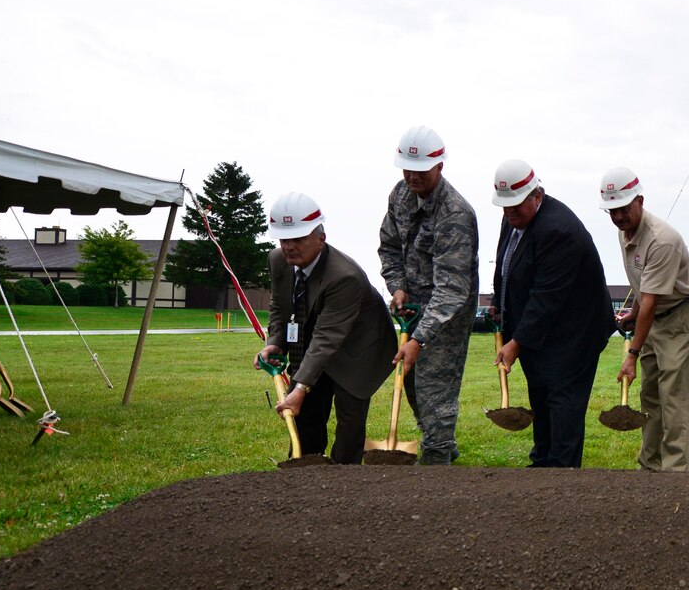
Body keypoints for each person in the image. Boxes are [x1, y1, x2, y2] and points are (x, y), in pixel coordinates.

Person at [257, 192, 398, 465]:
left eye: (298, 239)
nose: (289, 246)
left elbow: (327, 337)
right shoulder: (277, 261)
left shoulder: (345, 276)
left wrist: (299, 389)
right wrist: (275, 342)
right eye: (284, 239)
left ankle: (344, 479)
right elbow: (280, 306)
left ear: (320, 239)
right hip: (316, 338)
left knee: (349, 419)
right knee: (307, 411)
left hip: (360, 348)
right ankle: (304, 470)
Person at [490, 159, 613, 468]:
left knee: (562, 401)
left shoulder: (558, 231)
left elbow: (546, 298)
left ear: (537, 195)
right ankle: (542, 463)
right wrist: (498, 303)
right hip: (544, 332)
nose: (509, 212)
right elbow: (506, 266)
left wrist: (516, 343)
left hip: (575, 333)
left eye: (516, 206)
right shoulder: (514, 217)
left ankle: (562, 473)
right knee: (541, 395)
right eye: (505, 207)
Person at [378, 126, 480, 465]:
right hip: (413, 309)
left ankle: (436, 464)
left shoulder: (455, 215)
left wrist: (419, 340)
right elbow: (389, 245)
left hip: (446, 319)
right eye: (406, 168)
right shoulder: (400, 195)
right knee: (413, 388)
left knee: (435, 392)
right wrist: (397, 286)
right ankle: (442, 445)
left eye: (419, 169)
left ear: (439, 166)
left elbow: (452, 289)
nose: (411, 176)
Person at [599, 166, 689, 471]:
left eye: (623, 209)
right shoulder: (624, 232)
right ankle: (651, 467)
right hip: (654, 316)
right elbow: (643, 290)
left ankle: (674, 473)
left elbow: (651, 301)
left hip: (679, 318)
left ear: (640, 201)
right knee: (651, 395)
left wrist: (631, 354)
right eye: (612, 211)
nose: (618, 216)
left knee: (674, 396)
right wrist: (633, 314)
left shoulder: (662, 240)